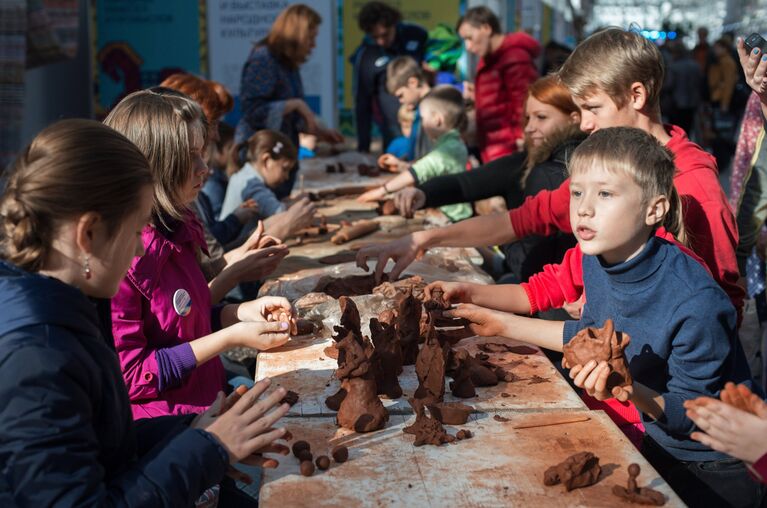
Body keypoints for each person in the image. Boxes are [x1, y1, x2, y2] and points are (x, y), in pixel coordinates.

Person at [439, 127, 763, 507]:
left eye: (605, 193)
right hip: (646, 437)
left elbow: (692, 416)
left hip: (706, 466)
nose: (584, 208)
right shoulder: (597, 258)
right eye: (578, 192)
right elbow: (590, 339)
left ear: (654, 209)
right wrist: (500, 321)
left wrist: (626, 390)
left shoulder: (697, 302)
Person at [356, 27, 744, 326]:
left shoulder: (693, 185)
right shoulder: (605, 172)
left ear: (637, 95)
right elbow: (521, 221)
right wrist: (424, 238)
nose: (586, 124)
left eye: (593, 108)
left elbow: (722, 305)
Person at [0, 119, 291, 505]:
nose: (140, 250)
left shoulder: (68, 308)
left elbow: (104, 443)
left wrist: (190, 433)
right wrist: (209, 448)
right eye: (136, 231)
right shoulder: (36, 362)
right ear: (87, 234)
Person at [104, 90, 296, 418]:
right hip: (168, 429)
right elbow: (133, 376)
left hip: (209, 402)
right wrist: (229, 337)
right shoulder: (122, 257)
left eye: (203, 153)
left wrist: (241, 312)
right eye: (190, 157)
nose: (204, 168)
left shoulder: (178, 226)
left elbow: (182, 321)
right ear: (155, 164)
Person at [236, 4, 342, 197]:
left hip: (280, 165)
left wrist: (318, 132)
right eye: (311, 38)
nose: (313, 44)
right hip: (261, 164)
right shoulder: (264, 59)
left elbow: (290, 118)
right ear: (298, 34)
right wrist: (295, 104)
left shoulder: (287, 64)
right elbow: (252, 111)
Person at [357, 85, 472, 223]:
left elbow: (418, 171)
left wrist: (382, 191)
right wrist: (401, 165)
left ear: (437, 119)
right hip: (446, 212)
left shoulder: (450, 148)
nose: (422, 124)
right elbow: (432, 168)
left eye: (423, 118)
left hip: (453, 217)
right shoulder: (450, 143)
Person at [457, 6, 540, 163]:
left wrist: (523, 139)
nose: (467, 46)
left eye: (469, 38)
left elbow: (525, 104)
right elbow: (501, 97)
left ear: (486, 28)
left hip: (510, 150)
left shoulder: (514, 58)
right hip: (494, 147)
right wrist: (477, 94)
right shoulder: (489, 57)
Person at [351, 1, 428, 152]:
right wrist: (363, 148)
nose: (381, 41)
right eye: (375, 37)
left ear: (394, 24)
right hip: (393, 129)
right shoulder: (366, 53)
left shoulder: (417, 35)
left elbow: (439, 69)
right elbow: (362, 103)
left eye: (384, 35)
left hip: (425, 120)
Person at [221, 129, 316, 240]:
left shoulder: (245, 175)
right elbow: (281, 214)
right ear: (266, 160)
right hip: (234, 248)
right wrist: (298, 203)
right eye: (284, 169)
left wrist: (290, 202)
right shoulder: (251, 184)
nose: (286, 176)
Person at [383, 55, 433, 162]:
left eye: (401, 95)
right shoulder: (419, 110)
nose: (401, 101)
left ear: (413, 83)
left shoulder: (431, 110)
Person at [663, 40, 703, 135]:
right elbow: (700, 83)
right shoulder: (695, 65)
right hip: (693, 102)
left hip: (677, 103)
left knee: (676, 131)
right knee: (688, 128)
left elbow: (669, 85)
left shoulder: (674, 67)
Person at [709, 38, 739, 113]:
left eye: (717, 48)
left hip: (721, 97)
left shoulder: (727, 62)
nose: (715, 50)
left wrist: (725, 103)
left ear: (725, 48)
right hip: (718, 96)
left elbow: (729, 83)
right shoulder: (719, 60)